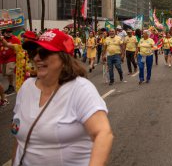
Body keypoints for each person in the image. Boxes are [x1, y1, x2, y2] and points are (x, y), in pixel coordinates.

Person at [13, 29, 113, 165]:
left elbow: (103, 134)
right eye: (33, 52)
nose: (36, 58)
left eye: (44, 53)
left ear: (63, 58)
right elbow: (19, 140)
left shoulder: (80, 88)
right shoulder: (26, 88)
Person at [0, 28, 21, 94]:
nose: (9, 33)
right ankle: (10, 85)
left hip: (11, 58)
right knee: (5, 74)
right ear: (3, 33)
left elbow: (18, 48)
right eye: (7, 32)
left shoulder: (15, 39)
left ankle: (11, 86)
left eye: (10, 32)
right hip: (3, 59)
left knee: (9, 72)